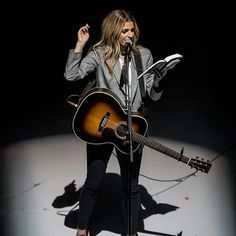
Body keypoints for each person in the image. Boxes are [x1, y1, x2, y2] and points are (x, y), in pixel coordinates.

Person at [64, 9, 164, 236]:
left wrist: (157, 81)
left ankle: (130, 231)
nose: (130, 35)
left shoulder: (143, 54)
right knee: (94, 180)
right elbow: (71, 76)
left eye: (132, 30)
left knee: (131, 185)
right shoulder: (100, 53)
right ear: (113, 32)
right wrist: (79, 45)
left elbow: (152, 94)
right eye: (124, 31)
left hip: (132, 126)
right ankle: (82, 228)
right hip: (103, 125)